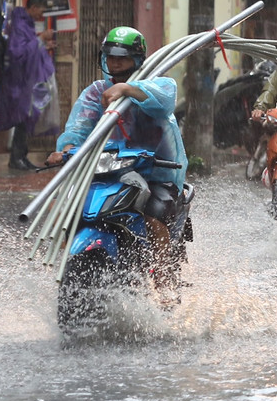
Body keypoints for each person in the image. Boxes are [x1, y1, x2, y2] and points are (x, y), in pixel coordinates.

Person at [44, 27, 186, 286]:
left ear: (138, 58)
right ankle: (64, 268)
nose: (116, 62)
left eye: (123, 57)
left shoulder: (157, 84)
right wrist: (65, 152)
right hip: (109, 171)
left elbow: (164, 101)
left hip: (155, 173)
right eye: (111, 56)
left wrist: (127, 89)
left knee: (153, 216)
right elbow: (78, 129)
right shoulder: (95, 92)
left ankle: (164, 281)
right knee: (63, 206)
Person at [0, 0, 57, 170]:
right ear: (33, 8)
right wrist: (41, 39)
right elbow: (18, 53)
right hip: (19, 80)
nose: (41, 15)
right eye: (41, 11)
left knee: (26, 117)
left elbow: (30, 48)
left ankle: (21, 156)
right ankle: (16, 158)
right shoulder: (20, 25)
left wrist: (43, 45)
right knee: (22, 117)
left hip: (26, 80)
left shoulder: (26, 24)